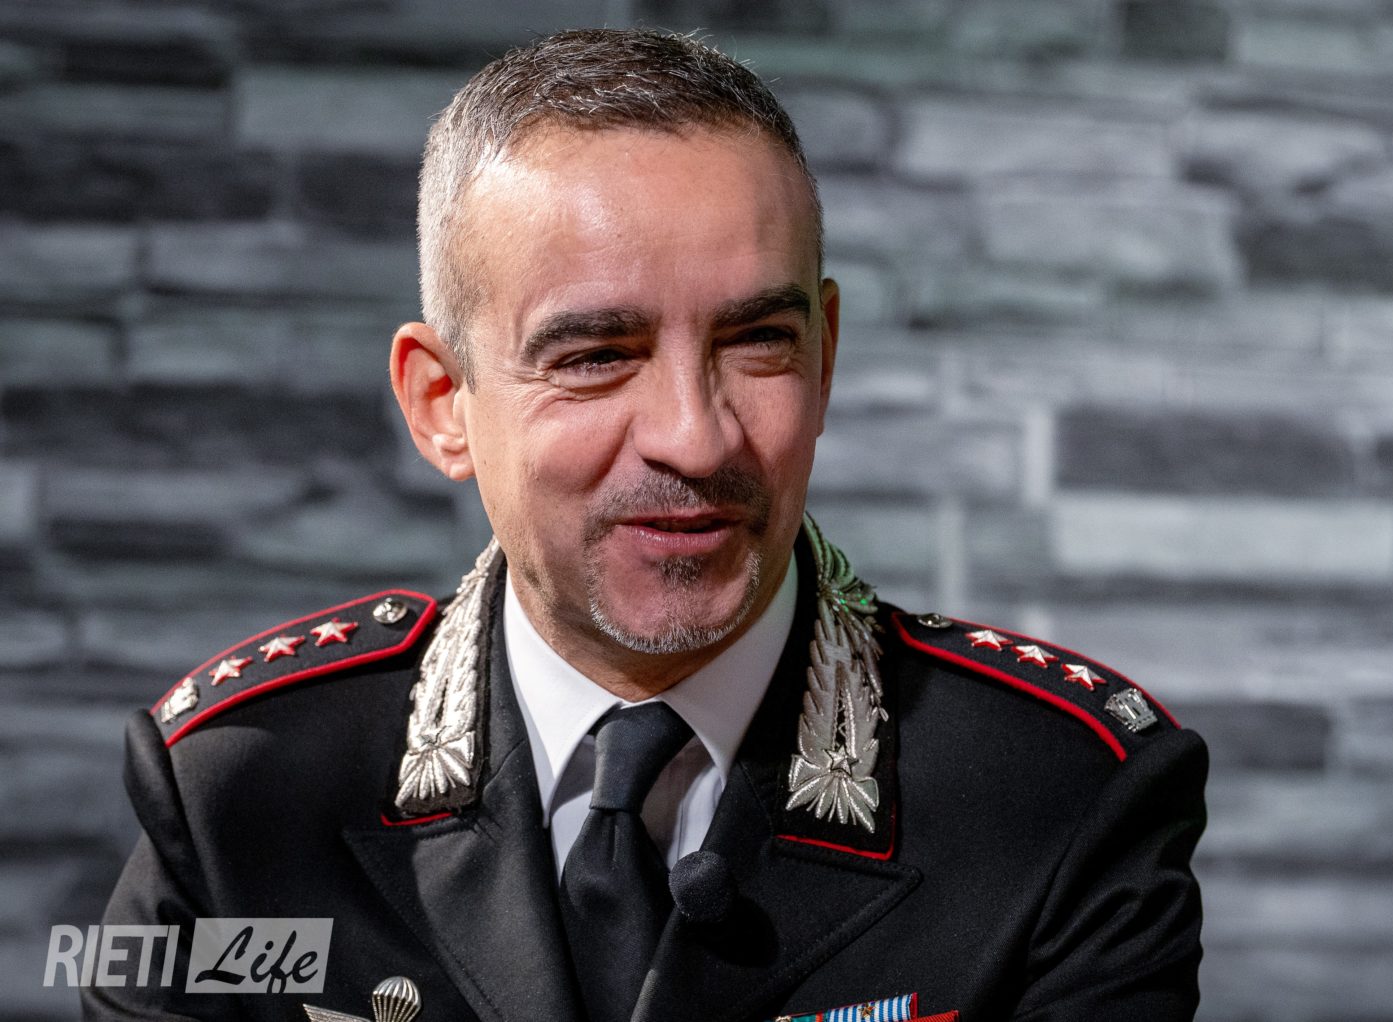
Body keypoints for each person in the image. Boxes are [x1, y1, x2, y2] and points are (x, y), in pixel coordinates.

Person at [88, 28, 1207, 1022]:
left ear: (825, 358)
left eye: (758, 342)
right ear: (441, 403)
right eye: (595, 356)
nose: (696, 437)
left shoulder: (1061, 797)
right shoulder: (241, 794)